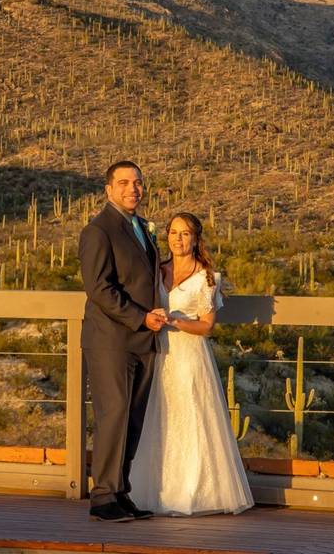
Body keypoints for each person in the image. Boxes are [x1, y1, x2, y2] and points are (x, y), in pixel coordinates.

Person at [129, 212, 254, 516]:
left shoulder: (207, 277)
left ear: (196, 238)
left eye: (185, 234)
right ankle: (153, 491)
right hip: (159, 354)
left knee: (191, 419)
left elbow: (206, 326)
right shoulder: (156, 271)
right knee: (159, 419)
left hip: (189, 357)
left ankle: (192, 493)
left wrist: (174, 320)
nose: (178, 239)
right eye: (173, 233)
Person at [79, 160, 166, 522]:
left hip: (143, 338)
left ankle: (120, 491)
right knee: (113, 415)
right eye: (125, 183)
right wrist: (139, 317)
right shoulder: (98, 231)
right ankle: (102, 498)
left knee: (132, 418)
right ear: (109, 189)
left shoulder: (141, 228)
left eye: (139, 183)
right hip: (111, 339)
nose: (134, 189)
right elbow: (99, 288)